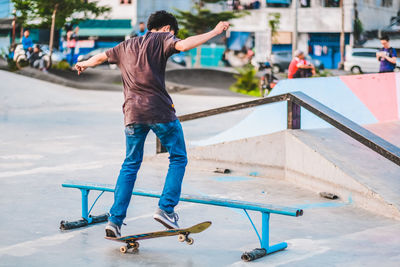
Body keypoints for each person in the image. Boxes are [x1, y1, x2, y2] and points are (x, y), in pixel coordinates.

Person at [75, 10, 230, 238]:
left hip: (132, 113)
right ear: (167, 28)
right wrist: (216, 31)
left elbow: (100, 58)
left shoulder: (125, 45)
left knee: (130, 164)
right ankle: (166, 209)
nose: (173, 38)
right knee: (178, 157)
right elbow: (185, 46)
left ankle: (115, 221)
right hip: (159, 111)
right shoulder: (163, 38)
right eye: (173, 33)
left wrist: (85, 63)